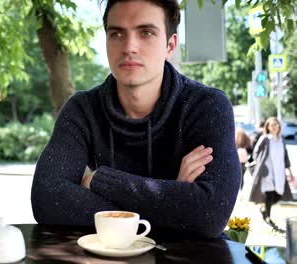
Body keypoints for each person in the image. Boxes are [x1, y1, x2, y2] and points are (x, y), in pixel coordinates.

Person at [31, 0, 241, 239]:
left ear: (170, 45)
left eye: (146, 33)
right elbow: (47, 200)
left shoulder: (207, 106)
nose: (129, 46)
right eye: (117, 34)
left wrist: (99, 180)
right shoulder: (83, 109)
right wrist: (175, 197)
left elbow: (208, 215)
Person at [249, 117, 295, 226]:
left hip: (279, 171)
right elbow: (255, 153)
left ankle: (264, 208)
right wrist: (260, 163)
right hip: (267, 172)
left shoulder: (281, 140)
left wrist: (290, 172)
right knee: (269, 193)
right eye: (271, 125)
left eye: (276, 124)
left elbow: (285, 157)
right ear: (268, 127)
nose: (274, 127)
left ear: (279, 126)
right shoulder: (265, 139)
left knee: (279, 193)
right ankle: (268, 216)